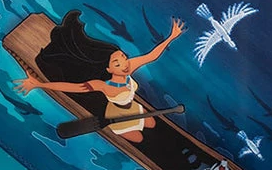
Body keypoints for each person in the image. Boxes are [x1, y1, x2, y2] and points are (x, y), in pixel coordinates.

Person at [13, 9, 186, 143]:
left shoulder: (128, 67)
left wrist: (171, 37)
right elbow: (72, 87)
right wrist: (39, 85)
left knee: (153, 124)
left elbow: (151, 56)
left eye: (123, 58)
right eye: (117, 63)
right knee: (139, 139)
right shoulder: (104, 85)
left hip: (132, 108)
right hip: (115, 117)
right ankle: (124, 134)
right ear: (109, 69)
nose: (124, 64)